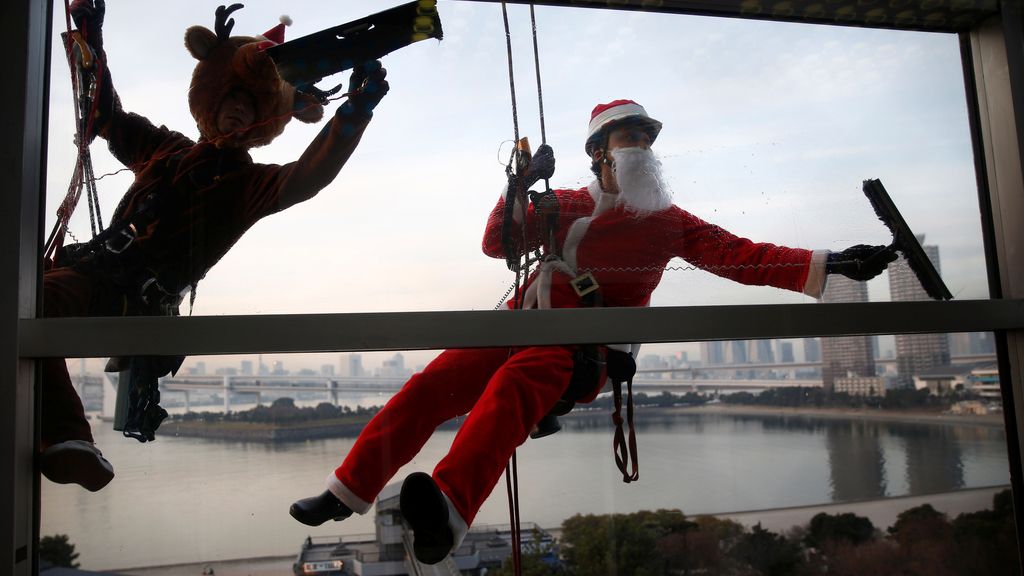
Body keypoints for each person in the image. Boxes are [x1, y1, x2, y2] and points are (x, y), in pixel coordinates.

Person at [289, 99, 896, 564]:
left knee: (514, 389)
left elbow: (744, 256)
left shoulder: (671, 223)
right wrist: (520, 186)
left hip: (586, 350)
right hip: (522, 322)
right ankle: (347, 489)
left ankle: (446, 511)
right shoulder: (566, 205)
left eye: (645, 138)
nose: (641, 146)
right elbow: (498, 243)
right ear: (599, 151)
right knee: (430, 385)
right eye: (629, 136)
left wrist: (833, 262)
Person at [41, 0, 389, 492]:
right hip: (99, 274)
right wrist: (91, 39)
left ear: (266, 118)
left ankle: (66, 437)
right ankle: (66, 440)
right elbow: (107, 118)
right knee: (30, 296)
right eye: (232, 98)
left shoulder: (247, 186)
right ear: (212, 95)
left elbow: (307, 177)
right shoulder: (166, 148)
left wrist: (353, 114)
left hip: (133, 300)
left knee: (39, 302)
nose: (239, 109)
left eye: (250, 104)